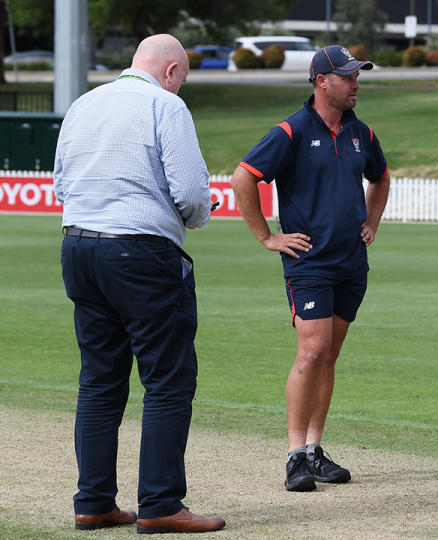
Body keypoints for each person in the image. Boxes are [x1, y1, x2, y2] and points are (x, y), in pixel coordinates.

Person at [54, 34, 225, 533]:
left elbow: (63, 183)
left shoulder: (83, 104)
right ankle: (160, 503)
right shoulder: (165, 107)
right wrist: (196, 217)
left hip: (79, 247)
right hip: (141, 251)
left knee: (100, 380)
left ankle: (93, 502)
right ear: (171, 72)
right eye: (183, 81)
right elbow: (191, 191)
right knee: (168, 379)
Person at [230, 45, 391, 492]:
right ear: (323, 81)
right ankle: (294, 455)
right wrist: (268, 237)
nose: (356, 84)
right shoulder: (291, 131)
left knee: (331, 354)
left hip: (351, 263)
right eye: (348, 77)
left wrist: (371, 222)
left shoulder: (362, 133)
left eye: (358, 77)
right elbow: (244, 177)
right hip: (309, 264)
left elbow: (381, 177)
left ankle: (316, 452)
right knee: (313, 351)